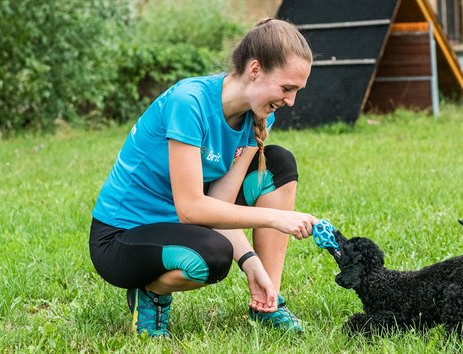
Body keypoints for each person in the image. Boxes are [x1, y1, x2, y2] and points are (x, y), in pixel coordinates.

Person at [89, 18, 318, 337]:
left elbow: (218, 205)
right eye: (286, 88)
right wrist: (276, 218)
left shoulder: (259, 116)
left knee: (277, 163)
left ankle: (268, 302)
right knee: (212, 256)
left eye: (297, 91)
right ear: (255, 70)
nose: (291, 101)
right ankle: (151, 292)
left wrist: (253, 264)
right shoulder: (190, 101)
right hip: (122, 237)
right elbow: (192, 209)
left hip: (181, 227)